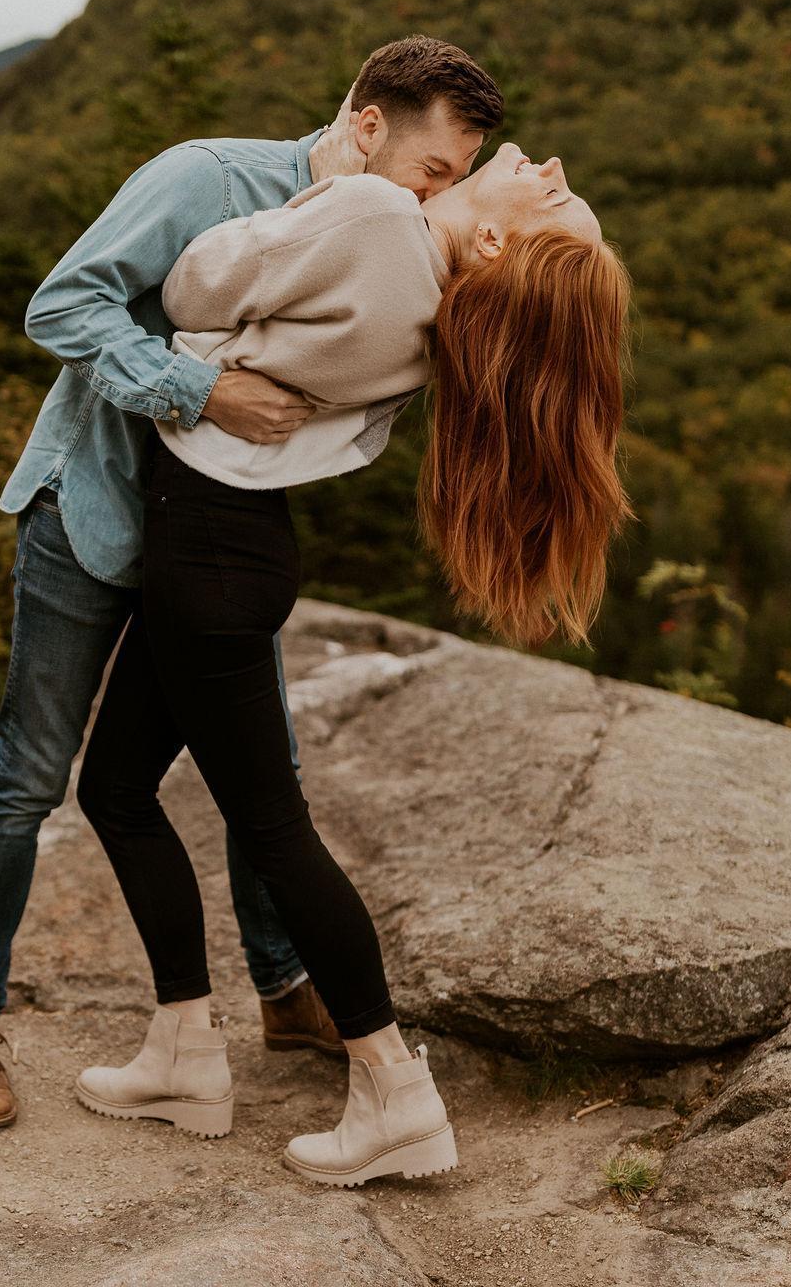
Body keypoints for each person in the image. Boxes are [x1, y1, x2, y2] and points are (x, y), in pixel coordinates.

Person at [0, 37, 506, 1130]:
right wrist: (194, 388)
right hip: (94, 511)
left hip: (208, 541)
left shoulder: (377, 236)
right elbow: (60, 305)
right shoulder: (208, 178)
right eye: (433, 170)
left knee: (263, 773)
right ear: (369, 124)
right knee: (32, 772)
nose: (435, 197)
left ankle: (285, 996)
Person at [72, 144, 632, 1186]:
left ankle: (393, 1093)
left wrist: (329, 191)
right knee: (114, 788)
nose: (552, 160)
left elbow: (190, 279)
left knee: (273, 829)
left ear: (500, 242)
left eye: (557, 191)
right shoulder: (427, 326)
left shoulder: (376, 214)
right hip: (229, 550)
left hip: (208, 558)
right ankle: (184, 1050)